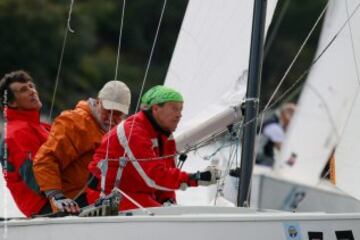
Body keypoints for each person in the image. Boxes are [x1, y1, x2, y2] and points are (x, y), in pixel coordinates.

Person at [86, 85, 221, 211]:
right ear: (155, 109)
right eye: (174, 108)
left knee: (174, 215)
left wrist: (169, 200)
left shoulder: (165, 135)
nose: (179, 114)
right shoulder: (133, 131)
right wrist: (196, 178)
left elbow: (166, 173)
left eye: (181, 109)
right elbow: (153, 176)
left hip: (137, 195)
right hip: (107, 197)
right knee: (169, 221)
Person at [33, 80, 131, 214]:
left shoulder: (121, 132)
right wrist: (56, 196)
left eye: (118, 114)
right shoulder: (75, 122)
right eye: (108, 111)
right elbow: (45, 159)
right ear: (98, 102)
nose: (111, 118)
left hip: (103, 199)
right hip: (74, 202)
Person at [0, 70, 51, 217]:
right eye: (24, 90)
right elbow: (35, 178)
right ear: (11, 102)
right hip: (45, 207)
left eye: (31, 86)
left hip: (59, 198)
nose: (32, 91)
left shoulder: (41, 127)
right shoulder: (15, 133)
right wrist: (60, 197)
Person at [256, 103, 296, 167]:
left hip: (257, 157)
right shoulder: (275, 127)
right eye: (292, 115)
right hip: (259, 159)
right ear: (285, 114)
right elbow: (283, 148)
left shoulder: (272, 122)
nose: (293, 120)